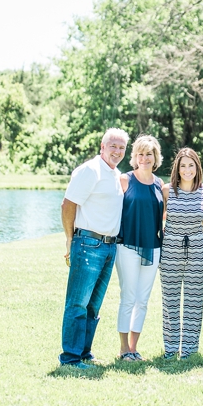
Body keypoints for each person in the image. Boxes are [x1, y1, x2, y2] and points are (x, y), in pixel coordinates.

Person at [58, 128, 129, 368]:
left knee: (93, 305)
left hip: (109, 247)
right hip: (88, 244)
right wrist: (70, 240)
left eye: (121, 148)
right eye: (113, 146)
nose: (117, 151)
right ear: (102, 146)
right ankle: (70, 358)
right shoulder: (90, 170)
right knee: (77, 303)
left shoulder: (114, 174)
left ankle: (84, 353)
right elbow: (67, 205)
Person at [115, 134, 164, 361]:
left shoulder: (159, 184)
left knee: (143, 300)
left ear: (156, 157)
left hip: (153, 247)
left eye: (149, 154)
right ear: (134, 157)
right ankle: (124, 348)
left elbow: (163, 214)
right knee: (129, 297)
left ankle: (134, 348)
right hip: (128, 246)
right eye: (140, 154)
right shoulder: (125, 180)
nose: (144, 158)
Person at [160, 148, 203, 359]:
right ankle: (171, 349)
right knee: (170, 299)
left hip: (198, 249)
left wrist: (192, 226)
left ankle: (189, 350)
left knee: (194, 300)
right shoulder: (166, 190)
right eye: (183, 166)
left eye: (191, 165)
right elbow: (160, 217)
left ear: (197, 167)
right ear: (177, 168)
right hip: (170, 248)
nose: (187, 169)